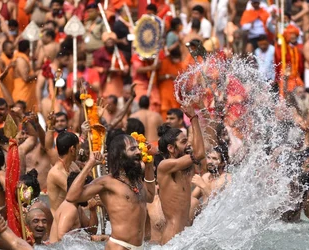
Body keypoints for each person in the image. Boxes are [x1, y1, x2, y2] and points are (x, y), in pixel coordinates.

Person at [66, 134, 155, 249]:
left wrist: (149, 165)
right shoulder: (106, 182)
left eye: (138, 148)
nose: (138, 152)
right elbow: (71, 197)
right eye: (132, 149)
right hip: (118, 246)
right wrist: (90, 164)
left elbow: (151, 196)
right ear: (120, 156)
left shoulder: (137, 181)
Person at [157, 105, 205, 244]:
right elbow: (200, 153)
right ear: (171, 148)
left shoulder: (184, 166)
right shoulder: (165, 166)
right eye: (183, 142)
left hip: (183, 239)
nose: (188, 144)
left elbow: (200, 151)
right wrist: (193, 118)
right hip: (172, 240)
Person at [49, 172, 98, 243]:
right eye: (89, 191)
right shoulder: (70, 209)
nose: (90, 194)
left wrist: (93, 211)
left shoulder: (77, 208)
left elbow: (91, 231)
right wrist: (87, 239)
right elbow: (61, 237)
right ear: (79, 191)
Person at [46, 131, 80, 215]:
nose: (79, 151)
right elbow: (77, 194)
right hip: (60, 222)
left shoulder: (73, 166)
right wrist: (89, 165)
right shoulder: (56, 173)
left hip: (75, 220)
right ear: (72, 150)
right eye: (78, 148)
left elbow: (85, 185)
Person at [93, 33, 129, 98]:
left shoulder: (118, 53)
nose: (110, 43)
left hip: (117, 83)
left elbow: (125, 65)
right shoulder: (99, 53)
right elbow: (93, 68)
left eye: (112, 42)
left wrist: (125, 69)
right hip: (104, 83)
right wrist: (103, 70)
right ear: (104, 42)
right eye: (108, 42)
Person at [158, 48, 184, 120]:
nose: (177, 59)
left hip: (176, 96)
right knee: (166, 114)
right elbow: (158, 77)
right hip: (165, 94)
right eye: (175, 57)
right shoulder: (165, 62)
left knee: (176, 115)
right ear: (171, 56)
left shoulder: (179, 64)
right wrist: (168, 76)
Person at [13, 40, 38, 112]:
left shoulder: (24, 59)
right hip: (22, 94)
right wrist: (36, 74)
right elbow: (25, 78)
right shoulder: (21, 60)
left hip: (25, 93)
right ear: (28, 49)